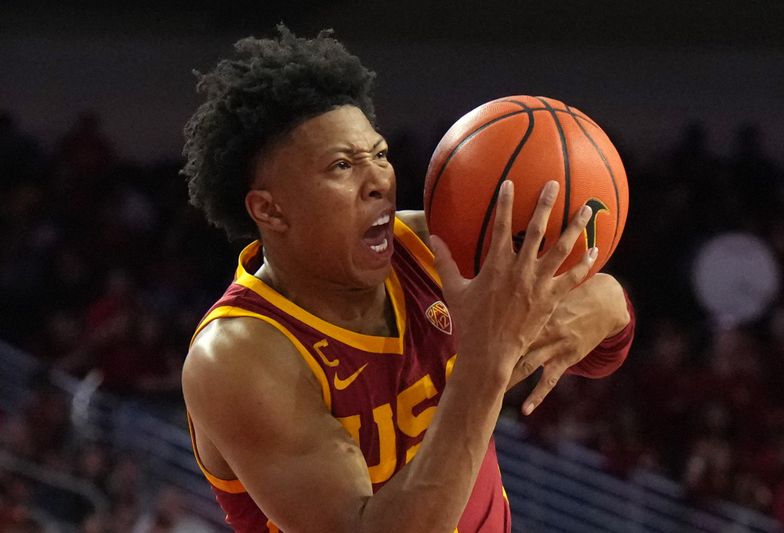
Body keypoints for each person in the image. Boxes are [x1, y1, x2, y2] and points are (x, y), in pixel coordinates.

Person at [180, 26, 634, 533]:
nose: (378, 181)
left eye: (378, 154)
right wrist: (484, 366)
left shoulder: (431, 249)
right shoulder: (239, 356)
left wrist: (609, 304)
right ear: (270, 209)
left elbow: (603, 350)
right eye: (341, 165)